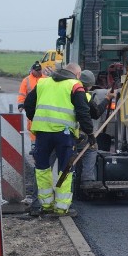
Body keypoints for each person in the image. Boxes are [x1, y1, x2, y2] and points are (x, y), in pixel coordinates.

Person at [24, 62, 94, 217]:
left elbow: (28, 104)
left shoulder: (43, 82)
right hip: (64, 134)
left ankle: (46, 206)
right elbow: (84, 112)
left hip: (42, 133)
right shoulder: (75, 85)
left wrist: (36, 119)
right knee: (66, 169)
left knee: (42, 168)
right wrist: (90, 134)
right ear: (77, 74)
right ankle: (61, 208)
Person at [17, 61, 44, 144]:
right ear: (32, 70)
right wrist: (21, 104)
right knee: (32, 126)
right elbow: (22, 93)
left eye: (39, 70)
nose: (38, 71)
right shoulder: (26, 80)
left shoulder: (46, 79)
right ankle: (34, 144)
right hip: (32, 107)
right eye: (36, 70)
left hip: (43, 107)